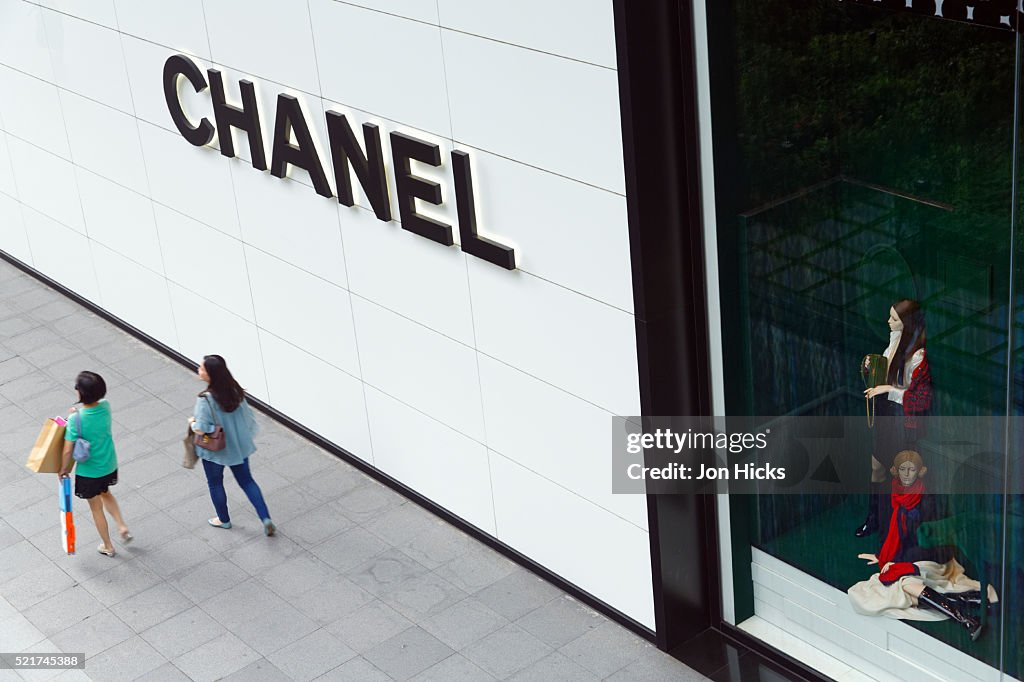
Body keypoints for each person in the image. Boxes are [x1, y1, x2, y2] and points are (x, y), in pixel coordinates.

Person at [849, 451, 991, 641]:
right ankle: (968, 606)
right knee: (897, 583)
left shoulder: (928, 499)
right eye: (902, 469)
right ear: (895, 471)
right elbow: (889, 529)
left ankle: (965, 616)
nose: (907, 474)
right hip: (907, 555)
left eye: (911, 469)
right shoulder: (891, 494)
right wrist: (882, 554)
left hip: (929, 556)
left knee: (901, 583)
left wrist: (899, 562)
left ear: (920, 472)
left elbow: (930, 539)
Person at [856, 299, 932, 538]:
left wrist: (886, 390)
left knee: (902, 475)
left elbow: (919, 397)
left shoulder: (918, 355)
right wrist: (873, 365)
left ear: (906, 323)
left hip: (903, 420)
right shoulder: (894, 342)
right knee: (876, 468)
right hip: (887, 416)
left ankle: (900, 529)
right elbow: (886, 372)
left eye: (894, 319)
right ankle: (874, 518)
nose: (889, 322)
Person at [189, 354, 275, 535]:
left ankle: (224, 520)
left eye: (202, 368)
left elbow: (202, 429)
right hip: (237, 446)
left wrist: (192, 423)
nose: (199, 370)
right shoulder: (234, 389)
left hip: (215, 450)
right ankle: (265, 518)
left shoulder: (205, 399)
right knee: (247, 481)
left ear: (211, 374)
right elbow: (247, 417)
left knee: (215, 483)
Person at [58, 371, 132, 557]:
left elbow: (68, 450)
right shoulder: (106, 406)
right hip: (108, 464)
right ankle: (122, 525)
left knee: (96, 508)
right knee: (106, 493)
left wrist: (63, 469)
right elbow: (91, 416)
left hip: (90, 472)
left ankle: (108, 545)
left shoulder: (76, 420)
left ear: (82, 393)